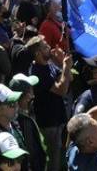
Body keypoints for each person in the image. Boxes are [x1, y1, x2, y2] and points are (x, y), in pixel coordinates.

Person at [26, 36, 72, 171]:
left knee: (61, 151)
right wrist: (65, 66)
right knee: (53, 155)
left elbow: (69, 78)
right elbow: (62, 90)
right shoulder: (37, 71)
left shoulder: (49, 64)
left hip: (59, 116)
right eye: (45, 47)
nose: (49, 48)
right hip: (49, 121)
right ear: (37, 53)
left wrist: (61, 61)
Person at [7, 74, 47, 171]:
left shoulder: (13, 116)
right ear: (24, 96)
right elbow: (31, 155)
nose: (32, 95)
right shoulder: (24, 122)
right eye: (30, 91)